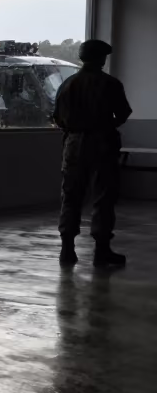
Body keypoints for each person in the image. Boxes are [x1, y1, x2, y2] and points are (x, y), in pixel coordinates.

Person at [53, 39, 132, 267]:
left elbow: (57, 117)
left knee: (71, 196)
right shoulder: (110, 84)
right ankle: (102, 250)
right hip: (103, 143)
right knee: (104, 197)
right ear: (100, 58)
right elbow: (123, 113)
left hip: (74, 144)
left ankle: (67, 250)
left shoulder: (67, 84)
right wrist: (106, 125)